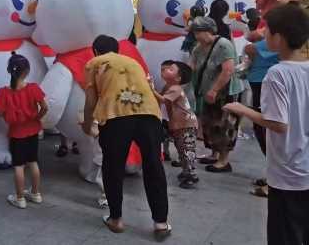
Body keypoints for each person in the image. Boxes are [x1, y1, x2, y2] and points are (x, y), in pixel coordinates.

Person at [224, 5, 309, 245]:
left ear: (279, 37)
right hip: (305, 166)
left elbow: (278, 124)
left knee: (285, 235)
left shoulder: (277, 74)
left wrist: (243, 110)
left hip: (288, 170)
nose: (263, 36)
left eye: (267, 31)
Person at [82, 35, 170, 239]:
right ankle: (161, 223)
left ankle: (116, 219)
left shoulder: (95, 63)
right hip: (149, 114)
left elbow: (91, 100)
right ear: (117, 50)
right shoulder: (133, 62)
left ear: (95, 51)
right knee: (153, 165)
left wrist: (87, 124)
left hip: (116, 115)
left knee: (113, 167)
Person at [0, 53, 48, 209]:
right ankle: (36, 194)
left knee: (18, 166)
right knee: (33, 162)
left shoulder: (3, 93)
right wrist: (37, 117)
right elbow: (45, 107)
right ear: (27, 71)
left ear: (9, 70)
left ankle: (20, 198)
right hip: (33, 130)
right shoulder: (33, 89)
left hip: (16, 133)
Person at [190, 17, 239, 173]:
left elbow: (228, 70)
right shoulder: (198, 48)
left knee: (224, 124)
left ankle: (224, 160)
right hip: (206, 92)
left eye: (199, 32)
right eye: (195, 32)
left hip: (223, 92)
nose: (197, 36)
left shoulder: (223, 45)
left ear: (209, 31)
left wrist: (215, 90)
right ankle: (214, 154)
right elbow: (193, 67)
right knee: (209, 123)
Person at [243, 36, 279, 198]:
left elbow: (250, 48)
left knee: (267, 130)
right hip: (260, 80)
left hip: (265, 82)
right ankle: (273, 175)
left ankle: (275, 180)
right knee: (263, 130)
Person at [154, 61, 199, 189]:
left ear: (178, 78)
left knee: (187, 150)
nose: (165, 70)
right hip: (180, 124)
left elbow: (163, 100)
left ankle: (191, 175)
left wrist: (150, 88)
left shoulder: (176, 88)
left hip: (187, 124)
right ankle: (186, 171)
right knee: (181, 149)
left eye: (171, 69)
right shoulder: (168, 87)